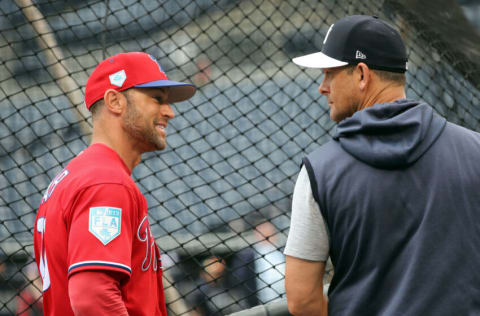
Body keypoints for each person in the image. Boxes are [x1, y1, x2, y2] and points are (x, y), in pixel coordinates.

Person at [284, 15, 480, 316]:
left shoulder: (319, 171)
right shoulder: (475, 149)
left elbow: (302, 299)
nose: (322, 87)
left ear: (362, 75)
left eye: (329, 74)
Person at [33, 52, 196, 316]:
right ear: (115, 101)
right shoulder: (106, 181)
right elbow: (92, 296)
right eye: (157, 99)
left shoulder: (78, 174)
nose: (170, 112)